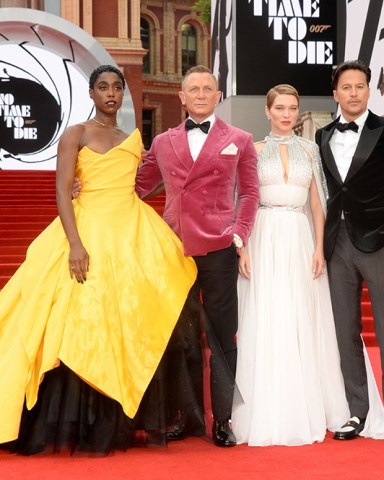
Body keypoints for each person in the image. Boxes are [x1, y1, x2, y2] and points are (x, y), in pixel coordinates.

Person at [0, 65, 197, 454]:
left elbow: (150, 181)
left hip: (130, 232)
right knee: (77, 319)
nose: (110, 93)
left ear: (123, 94)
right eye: (103, 87)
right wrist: (75, 244)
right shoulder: (75, 134)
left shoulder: (132, 139)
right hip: (86, 230)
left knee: (131, 319)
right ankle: (67, 419)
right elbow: (61, 192)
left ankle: (121, 414)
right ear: (91, 93)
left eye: (116, 88)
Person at [135, 65, 259, 446]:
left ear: (218, 96)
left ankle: (222, 420)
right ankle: (187, 418)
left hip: (219, 250)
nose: (202, 93)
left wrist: (238, 234)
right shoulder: (162, 142)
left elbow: (250, 193)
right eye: (194, 88)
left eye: (208, 88)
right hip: (174, 252)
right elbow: (138, 188)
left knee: (222, 337)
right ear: (182, 96)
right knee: (182, 339)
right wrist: (90, 186)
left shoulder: (240, 138)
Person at [231, 84, 352, 446]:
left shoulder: (311, 149)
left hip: (300, 238)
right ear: (267, 111)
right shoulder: (252, 150)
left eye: (291, 108)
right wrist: (243, 249)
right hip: (263, 236)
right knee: (267, 316)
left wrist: (319, 248)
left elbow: (317, 204)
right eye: (279, 107)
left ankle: (311, 402)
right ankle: (264, 407)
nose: (285, 114)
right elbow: (244, 201)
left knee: (303, 315)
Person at [316, 59, 384, 440]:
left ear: (368, 90)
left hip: (379, 241)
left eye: (360, 86)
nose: (354, 93)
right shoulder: (322, 136)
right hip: (337, 245)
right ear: (335, 94)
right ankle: (357, 412)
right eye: (347, 87)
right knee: (345, 331)